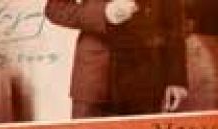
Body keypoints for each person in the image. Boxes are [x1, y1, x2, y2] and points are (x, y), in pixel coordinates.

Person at [45, 0, 189, 117]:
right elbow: (55, 8)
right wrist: (104, 13)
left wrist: (176, 79)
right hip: (97, 83)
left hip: (146, 80)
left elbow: (174, 24)